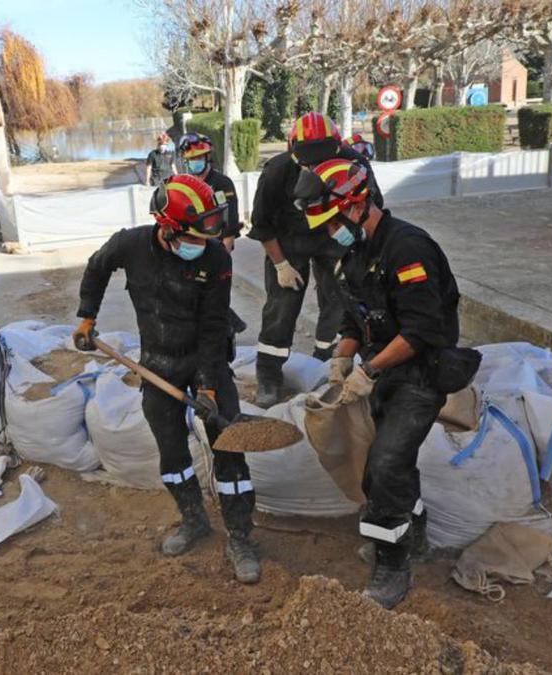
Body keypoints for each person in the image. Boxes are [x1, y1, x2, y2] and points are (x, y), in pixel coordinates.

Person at [72, 174, 260, 584]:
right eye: (193, 235)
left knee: (228, 446)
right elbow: (97, 267)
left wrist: (210, 384)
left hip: (204, 357)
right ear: (167, 229)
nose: (203, 243)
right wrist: (88, 316)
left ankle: (241, 536)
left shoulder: (215, 259)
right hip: (157, 363)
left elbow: (214, 325)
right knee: (172, 454)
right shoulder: (131, 245)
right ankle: (193, 519)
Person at [294, 157, 462, 610]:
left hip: (421, 375)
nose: (330, 234)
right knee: (393, 460)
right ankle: (416, 532)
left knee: (384, 465)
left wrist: (369, 371)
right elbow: (356, 318)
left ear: (356, 204)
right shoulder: (355, 254)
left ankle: (392, 565)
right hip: (383, 374)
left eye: (332, 223)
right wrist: (342, 358)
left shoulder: (408, 250)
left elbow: (422, 330)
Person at [248, 112, 381, 407]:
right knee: (281, 306)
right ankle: (268, 374)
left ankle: (326, 360)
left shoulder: (354, 164)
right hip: (289, 240)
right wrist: (281, 264)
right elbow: (262, 224)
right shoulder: (277, 171)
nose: (315, 168)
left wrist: (353, 238)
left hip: (333, 237)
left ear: (337, 147)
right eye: (308, 163)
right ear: (292, 150)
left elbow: (372, 207)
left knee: (338, 300)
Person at [178, 132, 248, 357]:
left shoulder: (222, 184)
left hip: (216, 247)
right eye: (191, 159)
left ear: (208, 158)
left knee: (214, 296)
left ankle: (226, 338)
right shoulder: (182, 185)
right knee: (191, 296)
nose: (195, 163)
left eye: (199, 158)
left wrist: (225, 250)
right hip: (190, 247)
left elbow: (230, 219)